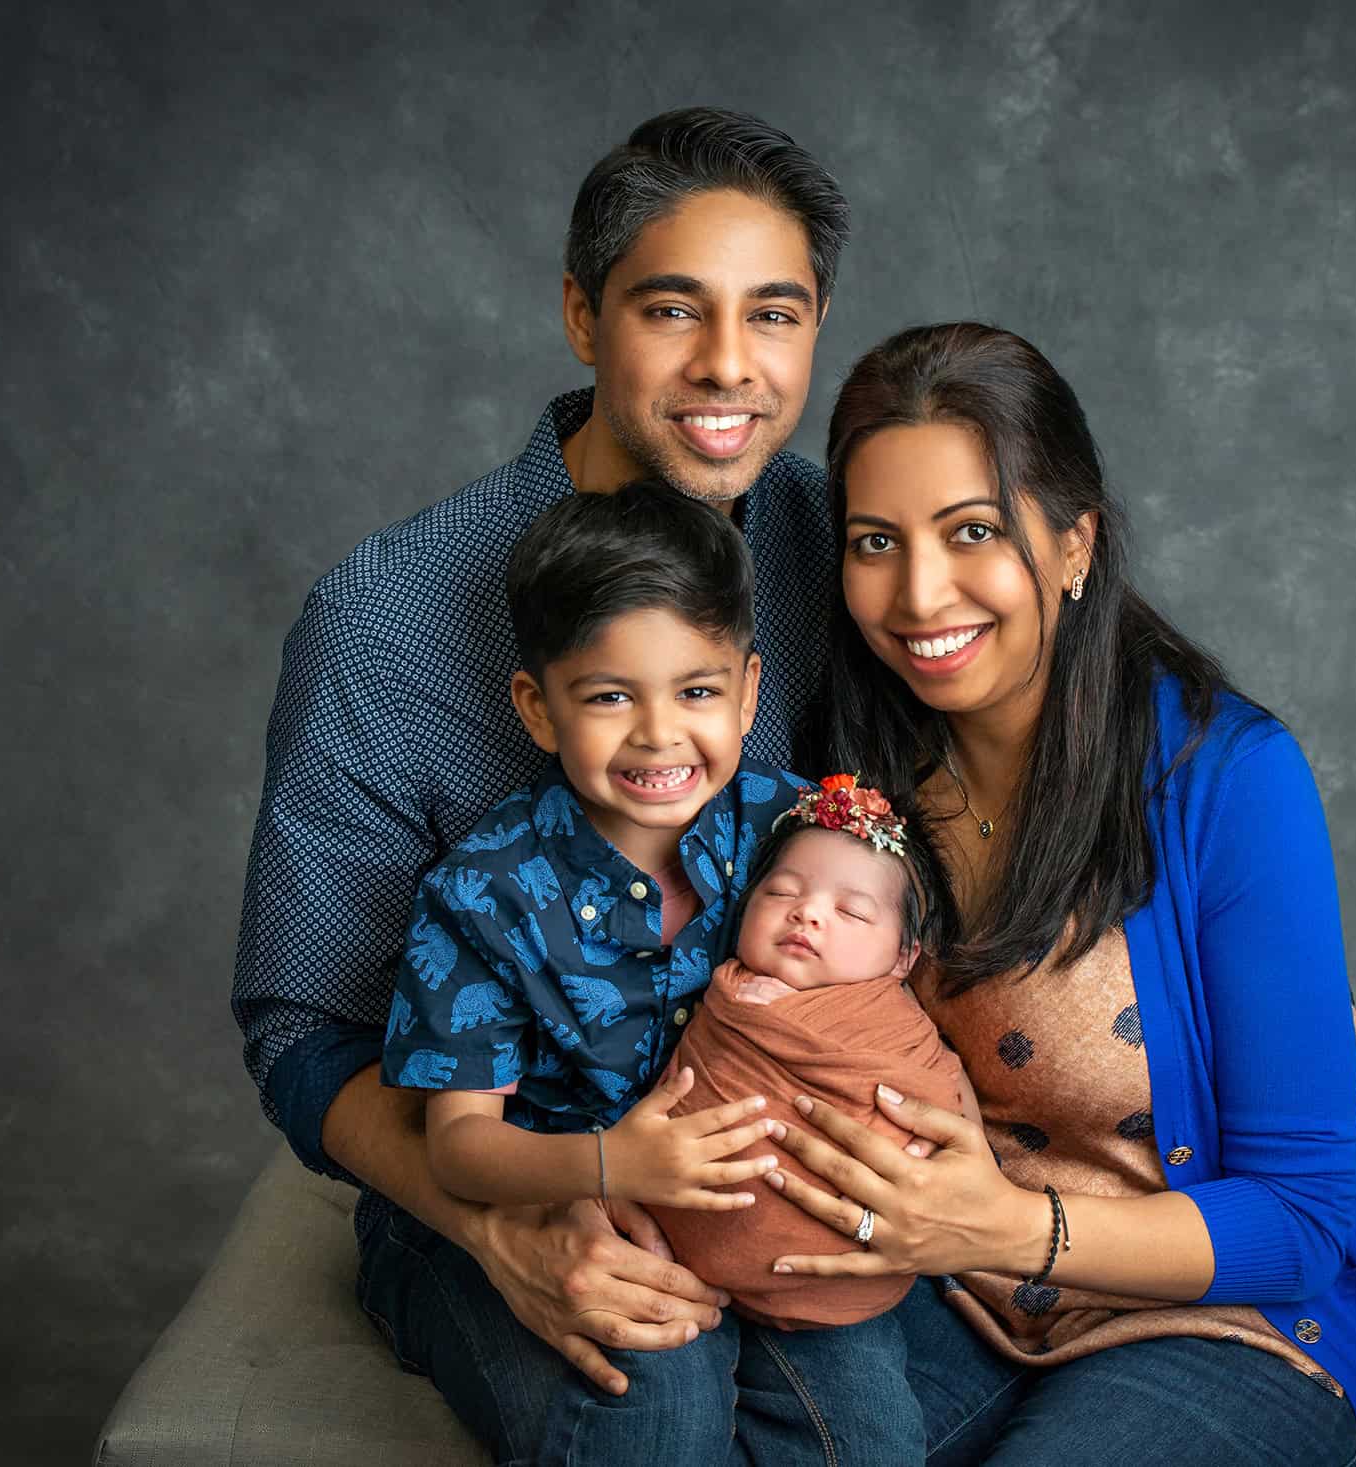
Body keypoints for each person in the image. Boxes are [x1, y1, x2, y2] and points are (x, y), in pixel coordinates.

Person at [230, 107, 861, 1463]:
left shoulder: (839, 547)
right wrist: (498, 1217)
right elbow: (303, 1025)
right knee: (662, 1391)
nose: (728, 368)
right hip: (495, 1154)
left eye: (776, 315)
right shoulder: (384, 619)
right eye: (671, 310)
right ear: (582, 314)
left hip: (774, 1136)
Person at [750, 322, 1356, 1464]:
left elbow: (1305, 1216)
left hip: (1221, 1318)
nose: (916, 592)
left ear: (1074, 543)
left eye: (972, 532)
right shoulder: (850, 771)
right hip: (950, 1298)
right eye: (874, 541)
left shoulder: (1227, 780)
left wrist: (1009, 1223)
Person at [381, 478, 934, 1463]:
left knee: (870, 1430)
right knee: (664, 1402)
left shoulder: (792, 831)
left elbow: (875, 980)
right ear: (538, 708)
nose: (657, 734)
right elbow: (459, 1149)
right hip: (539, 1192)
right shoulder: (483, 894)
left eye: (695, 691)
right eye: (605, 696)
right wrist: (609, 1164)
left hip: (740, 1215)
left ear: (748, 691)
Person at [645, 775, 970, 1332]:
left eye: (854, 912)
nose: (808, 913)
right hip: (675, 1257)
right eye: (782, 892)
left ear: (902, 959)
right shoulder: (729, 995)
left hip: (843, 1287)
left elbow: (947, 1102)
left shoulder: (899, 1031)